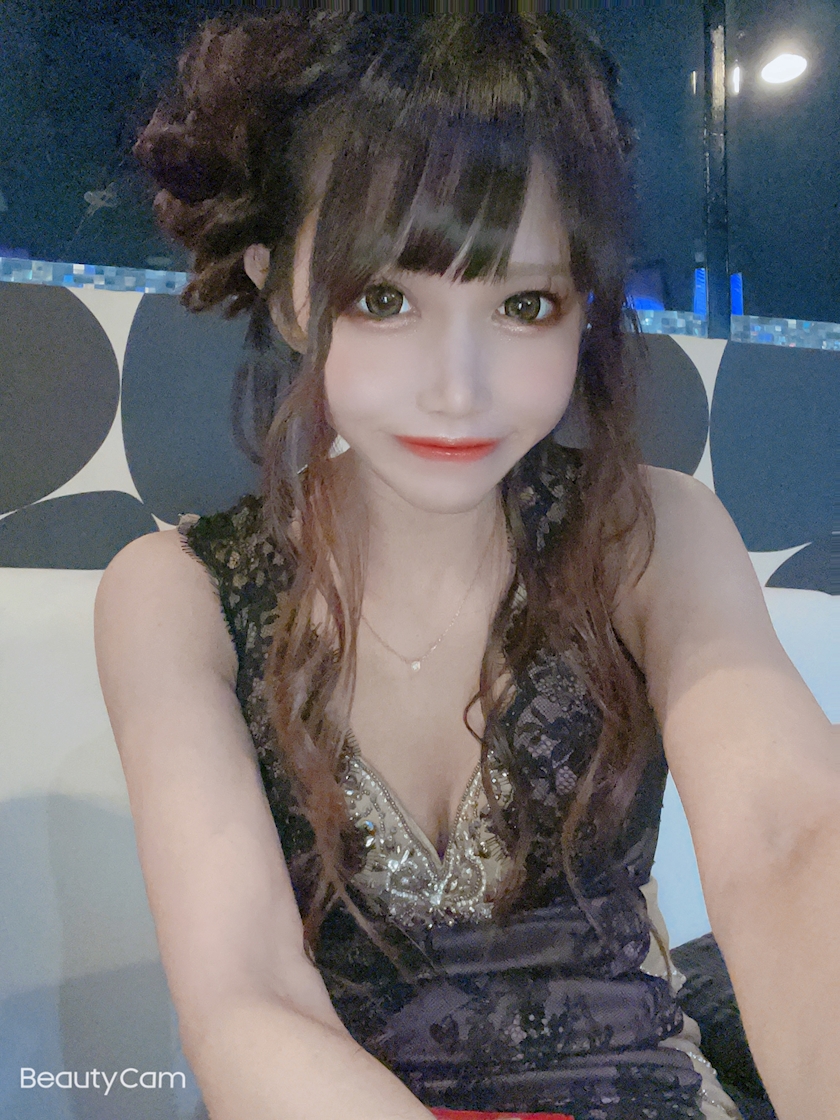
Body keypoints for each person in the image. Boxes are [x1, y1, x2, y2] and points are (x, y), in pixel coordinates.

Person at [93, 13, 838, 1120]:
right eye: (384, 298)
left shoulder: (649, 536)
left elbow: (791, 843)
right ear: (286, 290)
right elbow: (247, 993)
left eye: (525, 305)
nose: (459, 387)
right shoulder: (176, 594)